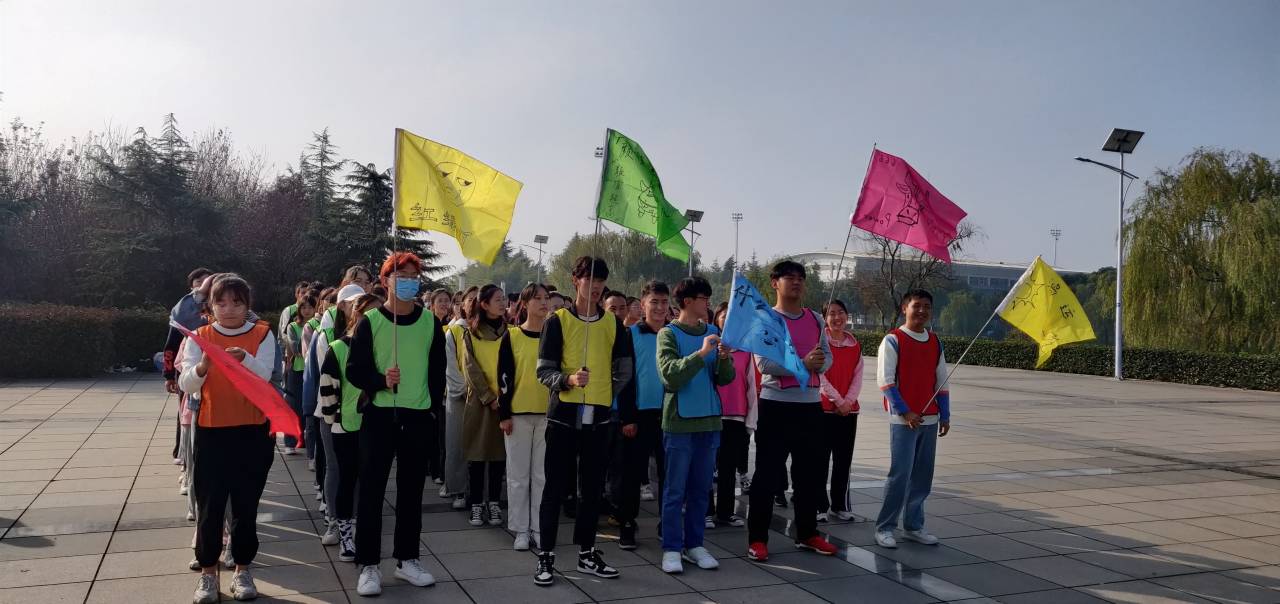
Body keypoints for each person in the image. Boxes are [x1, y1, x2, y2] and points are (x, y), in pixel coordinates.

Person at [345, 252, 444, 597]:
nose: (409, 282)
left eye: (414, 277)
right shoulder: (370, 321)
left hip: (418, 416)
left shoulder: (430, 322)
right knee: (371, 492)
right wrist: (380, 381)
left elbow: (437, 370)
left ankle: (407, 559)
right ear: (385, 280)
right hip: (380, 416)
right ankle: (368, 565)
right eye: (402, 276)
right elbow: (354, 370)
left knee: (412, 492)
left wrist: (432, 410)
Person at [533, 256, 635, 586]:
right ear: (575, 281)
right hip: (562, 419)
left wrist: (603, 392)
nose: (596, 286)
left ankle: (587, 553)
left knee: (591, 491)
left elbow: (624, 370)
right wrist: (568, 380)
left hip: (599, 420)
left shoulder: (613, 324)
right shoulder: (557, 321)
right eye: (589, 279)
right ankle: (546, 555)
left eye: (601, 280)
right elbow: (543, 371)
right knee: (554, 489)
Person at [178, 275, 276, 603]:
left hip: (252, 431)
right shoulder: (201, 337)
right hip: (212, 431)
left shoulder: (262, 333)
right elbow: (187, 384)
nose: (229, 309)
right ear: (210, 306)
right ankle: (208, 573)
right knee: (210, 506)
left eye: (236, 302)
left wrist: (245, 358)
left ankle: (243, 570)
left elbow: (266, 374)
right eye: (221, 302)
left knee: (246, 505)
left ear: (247, 305)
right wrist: (202, 367)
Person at [746, 261, 839, 562]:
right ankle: (757, 539)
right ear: (775, 283)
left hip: (810, 406)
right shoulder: (766, 319)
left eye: (801, 278)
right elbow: (764, 364)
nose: (796, 282)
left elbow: (827, 358)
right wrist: (802, 363)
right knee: (767, 474)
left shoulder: (815, 319)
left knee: (809, 475)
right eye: (789, 277)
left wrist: (819, 363)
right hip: (776, 406)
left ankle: (807, 533)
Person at [655, 277, 734, 573]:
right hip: (679, 423)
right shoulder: (668, 333)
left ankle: (695, 544)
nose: (708, 304)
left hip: (710, 422)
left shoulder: (713, 331)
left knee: (701, 490)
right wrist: (701, 354)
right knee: (675, 491)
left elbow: (725, 378)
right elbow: (670, 376)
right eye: (704, 298)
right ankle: (672, 547)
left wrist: (724, 359)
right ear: (687, 301)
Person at [874, 290, 950, 549]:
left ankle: (913, 526)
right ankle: (885, 527)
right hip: (904, 420)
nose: (921, 311)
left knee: (922, 476)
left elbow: (942, 381)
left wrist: (945, 414)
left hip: (929, 418)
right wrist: (905, 412)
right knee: (900, 475)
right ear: (904, 308)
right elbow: (885, 382)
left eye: (927, 306)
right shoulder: (893, 340)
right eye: (916, 306)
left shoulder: (935, 341)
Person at [319, 291, 383, 562]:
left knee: (370, 483)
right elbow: (327, 390)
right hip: (345, 426)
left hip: (377, 425)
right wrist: (335, 420)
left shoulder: (385, 347)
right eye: (370, 313)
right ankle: (345, 534)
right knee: (347, 480)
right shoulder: (338, 348)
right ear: (356, 315)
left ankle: (364, 533)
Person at [307, 284, 365, 547]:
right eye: (354, 303)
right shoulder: (327, 335)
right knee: (336, 467)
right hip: (332, 412)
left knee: (358, 469)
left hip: (362, 411)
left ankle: (354, 518)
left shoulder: (370, 332)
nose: (359, 308)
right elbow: (328, 378)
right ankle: (334, 520)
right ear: (341, 306)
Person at [615, 280, 671, 550]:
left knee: (669, 474)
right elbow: (624, 380)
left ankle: (667, 524)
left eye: (664, 302)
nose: (660, 307)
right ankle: (627, 524)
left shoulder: (674, 333)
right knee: (632, 474)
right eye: (654, 302)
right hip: (638, 416)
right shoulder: (631, 334)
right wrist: (627, 417)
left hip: (670, 415)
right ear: (643, 304)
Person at [500, 283, 551, 551]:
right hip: (518, 414)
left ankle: (539, 527)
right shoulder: (512, 336)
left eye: (546, 298)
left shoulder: (554, 335)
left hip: (548, 414)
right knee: (518, 475)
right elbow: (504, 376)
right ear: (525, 303)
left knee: (542, 475)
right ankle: (520, 528)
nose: (544, 303)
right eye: (537, 298)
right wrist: (504, 413)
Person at [459, 285, 512, 527]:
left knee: (499, 455)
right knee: (478, 455)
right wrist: (489, 397)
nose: (503, 303)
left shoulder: (511, 332)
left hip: (505, 400)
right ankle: (476, 503)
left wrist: (504, 397)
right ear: (484, 304)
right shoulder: (470, 334)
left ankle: (494, 502)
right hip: (480, 403)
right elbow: (470, 368)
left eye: (504, 299)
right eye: (498, 299)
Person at [707, 301, 756, 528]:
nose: (727, 319)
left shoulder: (746, 351)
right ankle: (706, 511)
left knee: (728, 469)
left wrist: (751, 420)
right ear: (716, 318)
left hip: (736, 417)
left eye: (732, 315)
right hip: (710, 415)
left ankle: (725, 513)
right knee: (707, 466)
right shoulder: (709, 347)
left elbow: (751, 387)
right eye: (724, 315)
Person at [817, 299, 863, 522]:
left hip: (848, 411)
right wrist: (837, 400)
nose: (837, 318)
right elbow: (819, 376)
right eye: (832, 313)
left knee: (843, 460)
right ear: (824, 318)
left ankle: (839, 505)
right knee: (819, 459)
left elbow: (858, 376)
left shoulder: (855, 345)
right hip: (824, 409)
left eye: (841, 312)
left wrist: (848, 402)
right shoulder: (819, 343)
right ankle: (818, 506)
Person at [164, 267, 214, 462]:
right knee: (186, 411)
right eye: (199, 283)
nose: (204, 286)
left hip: (215, 372)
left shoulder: (220, 310)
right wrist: (169, 375)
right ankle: (182, 451)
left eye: (208, 282)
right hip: (188, 369)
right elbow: (171, 346)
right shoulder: (187, 315)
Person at [443, 286, 480, 510]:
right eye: (470, 299)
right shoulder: (454, 331)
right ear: (462, 305)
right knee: (456, 444)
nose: (474, 303)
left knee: (479, 445)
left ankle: (479, 492)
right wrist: (464, 389)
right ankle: (457, 488)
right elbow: (450, 366)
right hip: (459, 396)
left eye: (478, 299)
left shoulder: (487, 330)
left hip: (482, 397)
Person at [281, 293, 317, 456]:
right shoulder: (292, 326)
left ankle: (309, 444)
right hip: (297, 370)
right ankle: (289, 442)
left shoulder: (319, 324)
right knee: (293, 407)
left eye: (310, 307)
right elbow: (296, 348)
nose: (307, 310)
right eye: (304, 307)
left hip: (313, 372)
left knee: (310, 409)